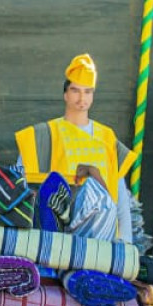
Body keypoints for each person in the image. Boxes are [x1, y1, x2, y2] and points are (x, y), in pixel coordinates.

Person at [14, 54, 137, 243]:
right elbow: (20, 187)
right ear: (65, 94)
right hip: (52, 235)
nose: (82, 98)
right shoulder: (41, 135)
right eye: (75, 90)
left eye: (88, 91)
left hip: (101, 234)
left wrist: (127, 240)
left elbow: (119, 193)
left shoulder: (106, 137)